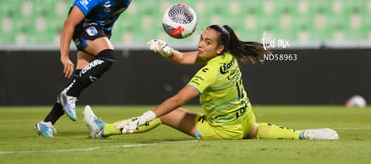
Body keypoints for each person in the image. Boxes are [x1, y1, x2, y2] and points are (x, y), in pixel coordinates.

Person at [83, 25, 338, 140]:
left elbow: (177, 100)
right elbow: (182, 57)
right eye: (201, 38)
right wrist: (166, 50)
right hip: (245, 119)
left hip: (223, 131)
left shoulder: (210, 70)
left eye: (206, 41)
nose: (200, 43)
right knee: (255, 130)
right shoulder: (228, 56)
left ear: (218, 48)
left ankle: (104, 130)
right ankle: (304, 134)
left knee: (165, 114)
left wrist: (144, 117)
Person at [35, 0, 186, 137]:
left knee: (80, 78)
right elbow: (69, 23)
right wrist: (64, 57)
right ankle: (68, 96)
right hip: (84, 26)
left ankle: (47, 122)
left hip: (102, 30)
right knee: (108, 56)